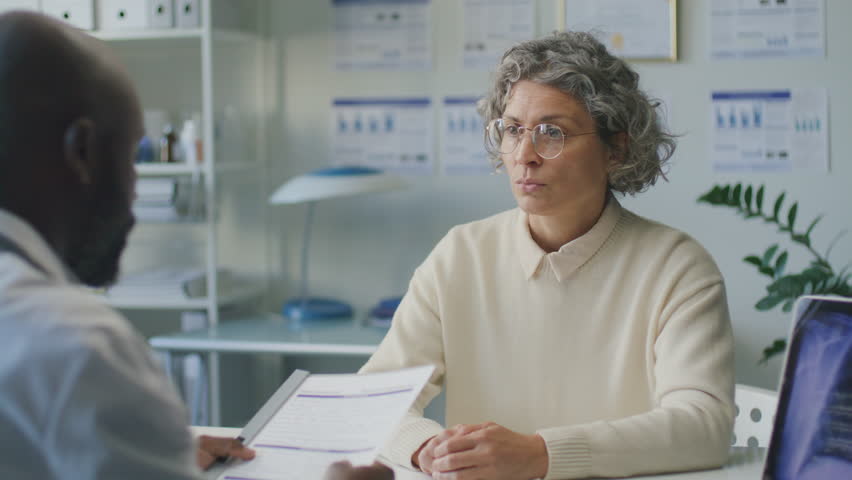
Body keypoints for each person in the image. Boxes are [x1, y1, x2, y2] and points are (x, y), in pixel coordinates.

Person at [0, 12, 392, 480]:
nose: (132, 193)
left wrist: (155, 452)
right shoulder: (74, 345)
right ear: (82, 152)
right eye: (130, 156)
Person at [359, 31, 735, 480]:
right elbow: (373, 400)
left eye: (551, 133)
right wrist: (425, 449)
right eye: (513, 130)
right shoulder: (460, 254)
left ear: (615, 148)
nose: (524, 155)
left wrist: (543, 454)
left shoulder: (678, 266)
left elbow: (704, 426)